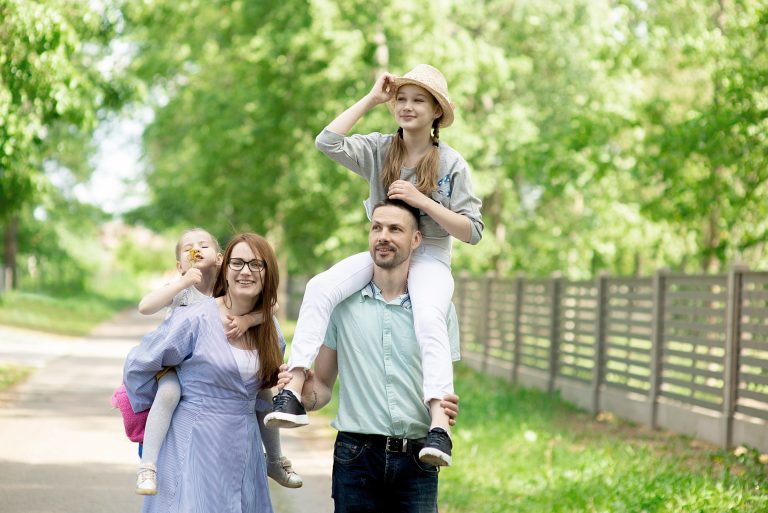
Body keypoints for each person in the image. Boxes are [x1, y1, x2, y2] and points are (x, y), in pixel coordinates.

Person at [265, 64, 483, 467]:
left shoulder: (451, 164)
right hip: (384, 249)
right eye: (402, 99)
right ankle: (292, 388)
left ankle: (439, 426)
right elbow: (327, 141)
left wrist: (420, 200)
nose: (407, 106)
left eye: (418, 100)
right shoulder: (381, 149)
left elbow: (472, 231)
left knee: (428, 316)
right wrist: (371, 98)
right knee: (320, 287)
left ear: (437, 111)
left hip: (430, 254)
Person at [277, 200, 462, 512]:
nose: (383, 236)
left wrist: (445, 408)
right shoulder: (341, 306)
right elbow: (322, 388)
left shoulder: (438, 309)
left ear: (416, 239)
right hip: (356, 457)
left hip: (418, 458)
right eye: (377, 227)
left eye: (395, 229)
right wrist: (304, 391)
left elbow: (441, 380)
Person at [115, 228, 302, 494]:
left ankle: (274, 459)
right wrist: (181, 283)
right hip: (174, 363)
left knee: (262, 390)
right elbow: (145, 306)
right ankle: (148, 466)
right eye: (188, 247)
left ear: (220, 258)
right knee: (169, 392)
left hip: (213, 364)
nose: (196, 249)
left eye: (204, 245)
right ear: (179, 265)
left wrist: (247, 320)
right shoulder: (182, 290)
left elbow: (272, 307)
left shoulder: (227, 288)